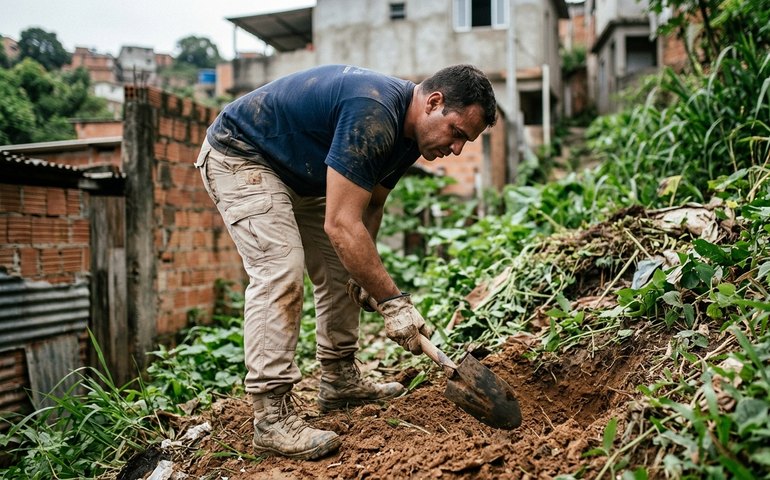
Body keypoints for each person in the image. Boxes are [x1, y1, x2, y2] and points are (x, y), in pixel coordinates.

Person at [195, 64, 497, 460]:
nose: (456, 149)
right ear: (434, 102)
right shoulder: (373, 111)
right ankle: (270, 417)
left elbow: (372, 203)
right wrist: (394, 303)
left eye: (466, 142)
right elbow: (340, 224)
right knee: (281, 270)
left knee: (343, 268)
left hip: (298, 175)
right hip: (242, 155)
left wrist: (364, 277)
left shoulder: (409, 137)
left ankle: (339, 381)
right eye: (457, 133)